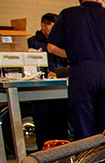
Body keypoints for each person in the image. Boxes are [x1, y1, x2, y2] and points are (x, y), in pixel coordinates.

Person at [47, 0, 105, 140]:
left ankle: (88, 160)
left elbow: (51, 47)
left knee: (84, 128)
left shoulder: (68, 14)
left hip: (82, 75)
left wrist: (74, 55)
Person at [27, 13, 70, 149]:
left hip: (59, 92)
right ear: (43, 26)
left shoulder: (60, 42)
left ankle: (63, 159)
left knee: (61, 127)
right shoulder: (33, 42)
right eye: (52, 28)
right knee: (44, 129)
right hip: (41, 93)